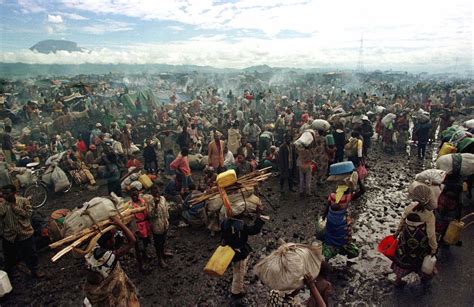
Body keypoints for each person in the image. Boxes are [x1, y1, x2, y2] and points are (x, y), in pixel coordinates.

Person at [83, 215, 139, 306]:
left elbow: (118, 237)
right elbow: (132, 241)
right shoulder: (106, 256)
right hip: (108, 293)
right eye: (112, 238)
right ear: (109, 242)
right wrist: (120, 224)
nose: (114, 239)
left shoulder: (92, 249)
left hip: (94, 292)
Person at [391, 184, 438, 286]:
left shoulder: (410, 207)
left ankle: (398, 280)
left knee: (403, 258)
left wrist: (396, 233)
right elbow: (431, 235)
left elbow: (402, 222)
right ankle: (423, 279)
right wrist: (434, 248)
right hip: (420, 244)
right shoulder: (429, 215)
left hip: (406, 240)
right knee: (422, 260)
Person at [221, 205, 265, 304]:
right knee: (239, 272)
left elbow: (223, 237)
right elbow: (254, 230)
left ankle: (236, 286)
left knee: (237, 269)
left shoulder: (224, 222)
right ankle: (236, 292)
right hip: (239, 252)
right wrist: (259, 216)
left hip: (229, 251)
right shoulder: (240, 226)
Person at [0, 185, 44, 278]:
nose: (5, 196)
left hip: (25, 233)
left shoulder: (23, 201)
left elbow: (28, 214)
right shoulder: (2, 206)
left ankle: (35, 270)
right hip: (9, 236)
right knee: (9, 257)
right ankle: (9, 274)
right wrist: (3, 233)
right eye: (3, 194)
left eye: (7, 193)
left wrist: (15, 208)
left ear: (14, 193)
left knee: (30, 254)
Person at [147, 185, 171, 268]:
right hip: (156, 226)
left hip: (164, 223)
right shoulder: (150, 202)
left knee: (163, 240)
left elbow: (166, 209)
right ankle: (160, 259)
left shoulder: (163, 199)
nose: (156, 193)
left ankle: (163, 253)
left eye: (157, 191)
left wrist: (167, 219)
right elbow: (151, 215)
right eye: (154, 192)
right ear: (151, 193)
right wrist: (156, 206)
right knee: (158, 243)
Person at [128, 188, 151, 273]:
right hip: (137, 227)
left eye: (136, 194)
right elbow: (131, 220)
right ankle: (141, 266)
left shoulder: (142, 201)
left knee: (145, 243)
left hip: (145, 225)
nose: (135, 196)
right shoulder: (130, 206)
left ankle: (145, 255)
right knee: (138, 247)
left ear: (138, 194)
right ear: (130, 196)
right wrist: (134, 231)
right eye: (133, 195)